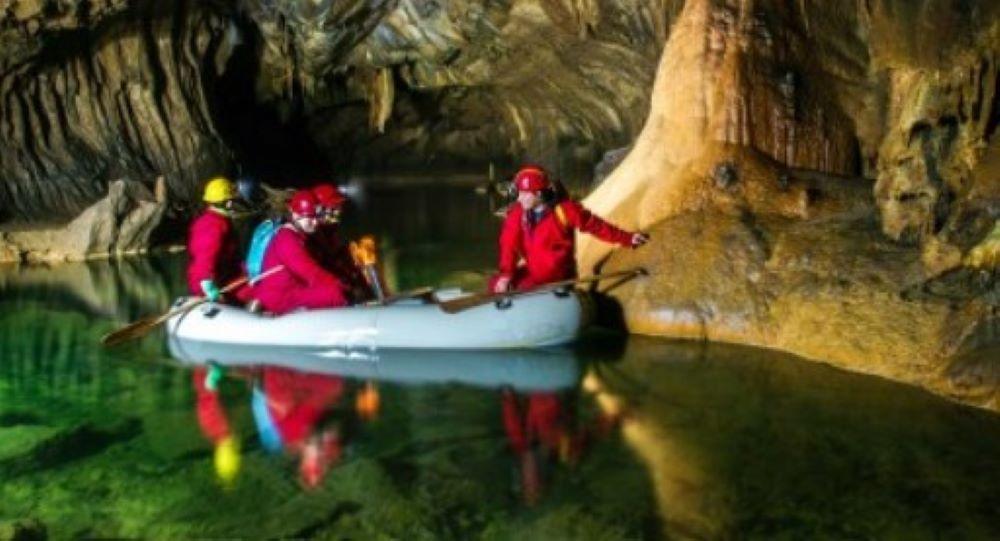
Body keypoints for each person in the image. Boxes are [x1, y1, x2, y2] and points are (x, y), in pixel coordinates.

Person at [490, 166, 649, 293]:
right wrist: (506, 275)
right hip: (535, 273)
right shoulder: (518, 213)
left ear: (539, 194)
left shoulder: (565, 211)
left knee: (522, 289)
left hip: (557, 276)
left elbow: (596, 226)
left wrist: (627, 238)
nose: (520, 198)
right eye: (520, 193)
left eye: (525, 194)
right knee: (496, 283)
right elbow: (508, 245)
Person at [249, 190, 350, 315]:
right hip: (279, 298)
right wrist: (337, 284)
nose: (315, 222)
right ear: (295, 215)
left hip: (290, 291)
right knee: (334, 293)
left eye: (316, 217)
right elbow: (309, 272)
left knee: (331, 288)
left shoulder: (299, 235)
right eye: (310, 217)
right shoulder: (286, 238)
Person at [311, 183, 373, 303]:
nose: (338, 211)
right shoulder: (311, 237)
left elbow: (346, 260)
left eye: (338, 206)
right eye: (334, 207)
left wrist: (362, 286)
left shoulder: (331, 231)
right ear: (320, 209)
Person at [187, 177, 242, 302]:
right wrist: (208, 285)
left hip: (226, 278)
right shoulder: (212, 225)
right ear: (225, 202)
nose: (233, 204)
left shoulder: (217, 221)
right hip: (211, 284)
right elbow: (204, 258)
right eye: (231, 200)